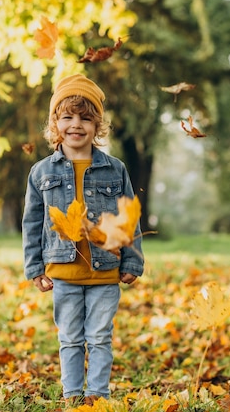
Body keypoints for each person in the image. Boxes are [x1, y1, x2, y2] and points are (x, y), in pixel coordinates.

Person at [21, 74, 144, 407]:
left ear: (97, 126)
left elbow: (128, 217)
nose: (76, 125)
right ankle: (73, 395)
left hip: (106, 272)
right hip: (63, 273)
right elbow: (32, 223)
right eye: (68, 117)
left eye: (86, 118)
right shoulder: (41, 173)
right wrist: (34, 266)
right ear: (55, 123)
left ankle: (97, 395)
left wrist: (132, 260)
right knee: (70, 338)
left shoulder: (115, 170)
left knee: (100, 337)